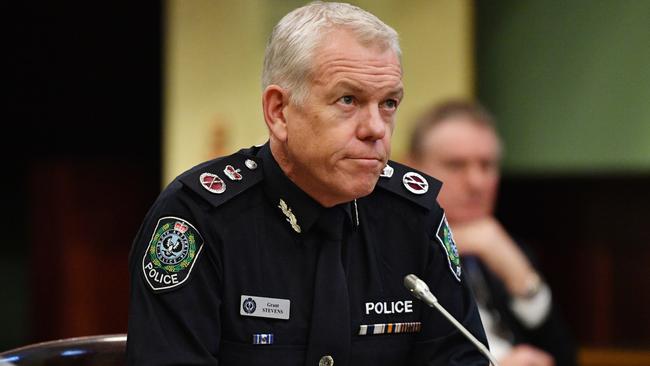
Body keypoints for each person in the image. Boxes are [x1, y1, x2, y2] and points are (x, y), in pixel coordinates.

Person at [127, 2, 490, 366]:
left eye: (389, 103)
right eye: (348, 100)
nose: (376, 129)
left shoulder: (414, 218)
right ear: (278, 112)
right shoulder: (199, 218)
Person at [407, 100, 577, 366]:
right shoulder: (390, 254)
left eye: (486, 165)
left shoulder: (503, 246)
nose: (477, 182)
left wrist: (522, 280)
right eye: (456, 165)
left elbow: (563, 357)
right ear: (411, 168)